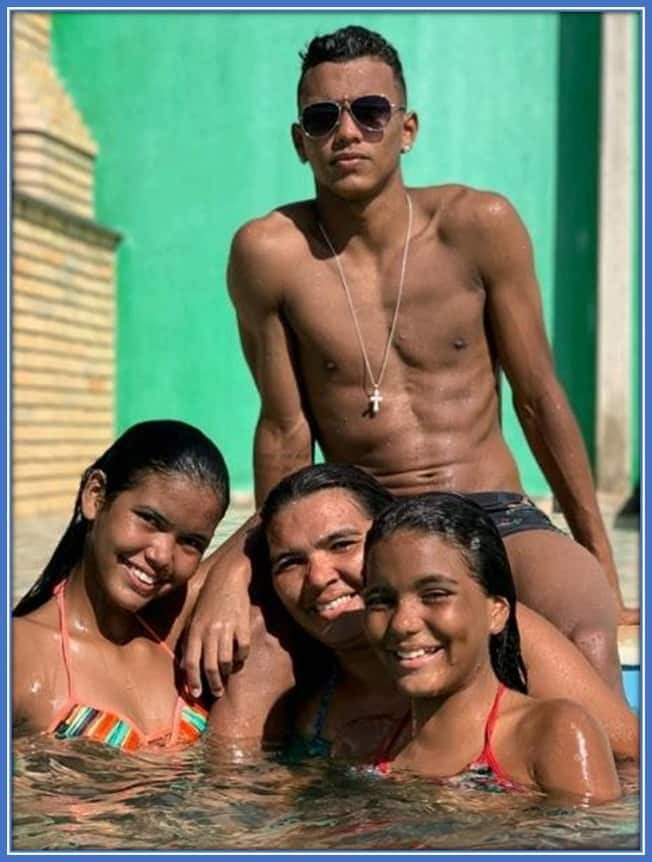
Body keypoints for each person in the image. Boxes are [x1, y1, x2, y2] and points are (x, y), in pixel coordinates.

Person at [184, 24, 636, 701]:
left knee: (588, 636)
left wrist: (603, 567)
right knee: (264, 674)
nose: (347, 133)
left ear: (408, 127)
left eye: (370, 112)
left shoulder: (477, 225)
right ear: (299, 139)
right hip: (372, 528)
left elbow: (539, 399)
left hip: (496, 515)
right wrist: (245, 569)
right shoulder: (270, 255)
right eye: (322, 117)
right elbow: (284, 432)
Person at [208, 464, 638, 762]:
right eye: (290, 563)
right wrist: (226, 577)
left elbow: (632, 758)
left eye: (342, 545)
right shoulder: (306, 705)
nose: (318, 576)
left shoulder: (498, 636)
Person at [363, 493, 621, 802]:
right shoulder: (366, 743)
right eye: (381, 601)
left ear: (496, 611)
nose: (402, 623)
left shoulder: (552, 734)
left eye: (435, 594)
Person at [13, 419, 229, 752]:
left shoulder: (174, 636)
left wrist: (236, 576)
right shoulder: (21, 652)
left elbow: (271, 521)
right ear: (95, 496)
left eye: (190, 542)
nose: (162, 556)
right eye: (149, 520)